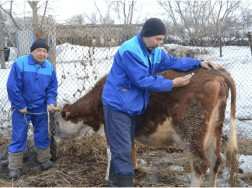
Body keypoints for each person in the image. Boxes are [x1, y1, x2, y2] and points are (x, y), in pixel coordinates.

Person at [102, 18, 222, 187]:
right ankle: (123, 184)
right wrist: (172, 83)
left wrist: (198, 62)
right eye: (158, 38)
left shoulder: (154, 51)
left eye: (162, 39)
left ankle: (114, 184)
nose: (160, 43)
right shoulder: (130, 51)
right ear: (146, 34)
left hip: (131, 104)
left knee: (123, 148)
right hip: (118, 106)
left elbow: (173, 62)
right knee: (122, 152)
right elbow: (141, 80)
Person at [6, 39, 59, 179]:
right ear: (32, 51)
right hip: (21, 110)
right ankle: (15, 166)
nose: (42, 54)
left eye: (45, 51)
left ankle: (44, 159)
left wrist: (51, 101)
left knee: (42, 134)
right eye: (39, 50)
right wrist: (20, 105)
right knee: (19, 135)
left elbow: (52, 88)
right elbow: (12, 87)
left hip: (40, 109)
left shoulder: (49, 67)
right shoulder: (20, 63)